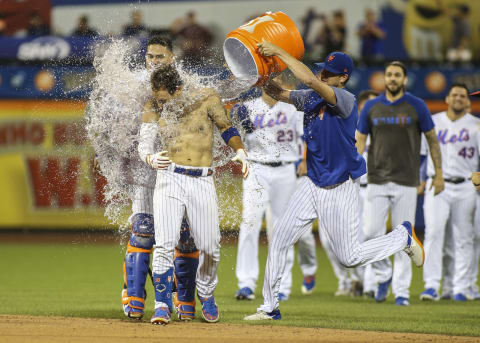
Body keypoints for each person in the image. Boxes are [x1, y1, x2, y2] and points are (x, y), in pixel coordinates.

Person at [243, 45, 424, 321]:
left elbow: (309, 80)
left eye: (330, 73)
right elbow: (278, 93)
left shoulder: (346, 100)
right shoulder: (311, 98)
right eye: (323, 69)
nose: (323, 74)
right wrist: (261, 73)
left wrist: (279, 52)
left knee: (349, 257)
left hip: (339, 185)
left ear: (343, 77)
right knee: (278, 238)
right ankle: (269, 307)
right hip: (312, 182)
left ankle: (403, 236)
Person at [138, 64, 249, 324]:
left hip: (201, 180)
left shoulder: (206, 97)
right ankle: (163, 305)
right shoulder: (154, 103)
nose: (160, 102)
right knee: (164, 245)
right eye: (157, 97)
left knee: (210, 247)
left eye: (164, 97)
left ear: (178, 89)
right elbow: (144, 143)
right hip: (170, 177)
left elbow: (225, 126)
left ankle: (207, 294)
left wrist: (241, 151)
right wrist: (150, 157)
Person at [120, 36, 200, 322]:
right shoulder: (130, 85)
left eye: (160, 57)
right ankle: (134, 296)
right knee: (143, 231)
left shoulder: (186, 85)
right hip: (143, 168)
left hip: (179, 170)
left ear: (172, 59)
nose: (154, 61)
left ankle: (184, 297)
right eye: (150, 56)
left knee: (186, 238)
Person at [356, 61, 444, 306]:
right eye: (389, 74)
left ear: (404, 80)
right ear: (384, 79)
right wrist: (353, 171)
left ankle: (402, 291)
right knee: (370, 234)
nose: (392, 78)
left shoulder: (417, 105)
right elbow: (360, 140)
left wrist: (438, 174)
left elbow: (433, 141)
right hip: (376, 179)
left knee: (404, 237)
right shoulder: (372, 107)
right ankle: (384, 275)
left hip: (406, 181)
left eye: (397, 75)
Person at [233, 74, 317, 302]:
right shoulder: (247, 108)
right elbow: (235, 138)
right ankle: (246, 284)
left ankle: (281, 284)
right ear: (261, 83)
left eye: (277, 79)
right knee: (249, 224)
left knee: (281, 229)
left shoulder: (292, 109)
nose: (273, 83)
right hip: (256, 169)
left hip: (285, 170)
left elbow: (308, 135)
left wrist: (304, 159)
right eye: (269, 80)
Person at [419, 83, 480, 301]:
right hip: (438, 185)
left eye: (462, 96)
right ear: (447, 98)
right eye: (454, 94)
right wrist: (421, 179)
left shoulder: (476, 125)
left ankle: (461, 287)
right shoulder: (433, 122)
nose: (458, 98)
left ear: (467, 101)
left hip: (467, 187)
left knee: (465, 238)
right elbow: (423, 154)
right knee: (433, 235)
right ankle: (432, 285)